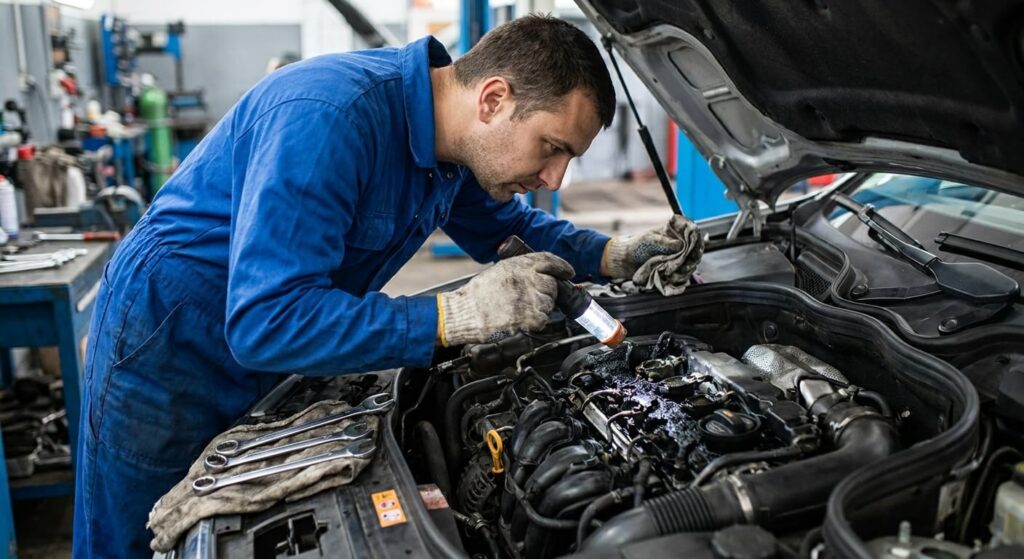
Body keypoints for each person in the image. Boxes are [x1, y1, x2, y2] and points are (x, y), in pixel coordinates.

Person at [72, 14, 699, 557]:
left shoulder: (451, 149)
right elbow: (266, 322)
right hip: (169, 343)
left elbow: (510, 232)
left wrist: (617, 254)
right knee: (136, 537)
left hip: (270, 334)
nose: (555, 176)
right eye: (552, 147)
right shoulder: (330, 120)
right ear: (494, 99)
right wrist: (451, 317)